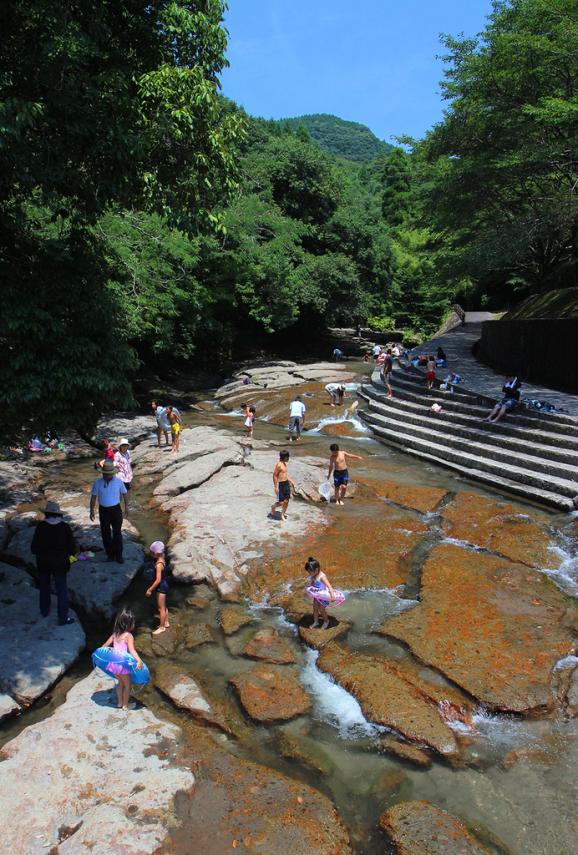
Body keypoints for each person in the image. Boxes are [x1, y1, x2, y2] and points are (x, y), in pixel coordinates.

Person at [31, 501, 76, 626]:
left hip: (43, 562)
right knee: (61, 589)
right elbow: (72, 548)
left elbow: (33, 548)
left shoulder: (41, 527)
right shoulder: (65, 527)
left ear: (47, 514)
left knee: (44, 586)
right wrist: (70, 557)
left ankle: (44, 610)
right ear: (58, 514)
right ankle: (63, 618)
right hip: (60, 563)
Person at [101, 608, 143, 710]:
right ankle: (125, 705)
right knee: (127, 685)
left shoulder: (115, 634)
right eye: (133, 622)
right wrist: (139, 660)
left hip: (113, 664)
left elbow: (103, 648)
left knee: (120, 683)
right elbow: (132, 650)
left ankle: (119, 703)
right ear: (128, 624)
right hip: (122, 665)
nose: (134, 624)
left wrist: (110, 655)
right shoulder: (128, 636)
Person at [90, 460, 129, 563]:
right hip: (103, 511)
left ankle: (119, 555)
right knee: (105, 533)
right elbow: (93, 497)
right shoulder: (98, 482)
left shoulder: (118, 481)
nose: (106, 476)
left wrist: (127, 507)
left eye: (108, 474)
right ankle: (110, 554)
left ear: (112, 473)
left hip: (116, 510)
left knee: (117, 533)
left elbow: (125, 494)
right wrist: (91, 511)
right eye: (104, 474)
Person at [146, 541, 170, 635]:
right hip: (165, 585)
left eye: (151, 553)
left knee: (161, 608)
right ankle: (166, 622)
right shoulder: (162, 558)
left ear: (156, 553)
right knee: (164, 605)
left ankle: (162, 627)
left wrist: (150, 589)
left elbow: (158, 580)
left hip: (161, 587)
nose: (151, 555)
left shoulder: (159, 565)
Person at [306, 557, 336, 630]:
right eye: (308, 572)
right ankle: (316, 622)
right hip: (317, 595)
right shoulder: (313, 575)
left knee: (321, 609)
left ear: (316, 569)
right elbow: (313, 583)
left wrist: (332, 595)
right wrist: (310, 589)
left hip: (323, 596)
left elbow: (329, 586)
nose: (309, 574)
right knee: (315, 608)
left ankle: (326, 621)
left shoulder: (322, 577)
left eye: (310, 572)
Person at [270, 450, 296, 520]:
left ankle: (282, 515)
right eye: (288, 457)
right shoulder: (279, 465)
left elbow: (285, 475)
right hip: (281, 484)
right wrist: (275, 487)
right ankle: (273, 507)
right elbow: (275, 475)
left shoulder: (284, 464)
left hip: (286, 484)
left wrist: (291, 481)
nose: (288, 458)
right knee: (281, 502)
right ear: (284, 457)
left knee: (286, 501)